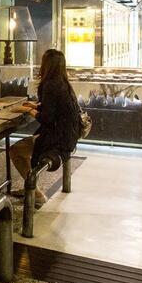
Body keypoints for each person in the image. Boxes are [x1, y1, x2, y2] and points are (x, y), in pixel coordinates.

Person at [8, 49, 83, 202]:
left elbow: (47, 118)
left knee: (15, 150)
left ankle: (35, 193)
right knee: (23, 148)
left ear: (47, 65)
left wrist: (28, 110)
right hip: (69, 136)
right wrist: (35, 106)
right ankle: (30, 187)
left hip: (58, 140)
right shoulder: (63, 83)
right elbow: (55, 109)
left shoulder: (50, 84)